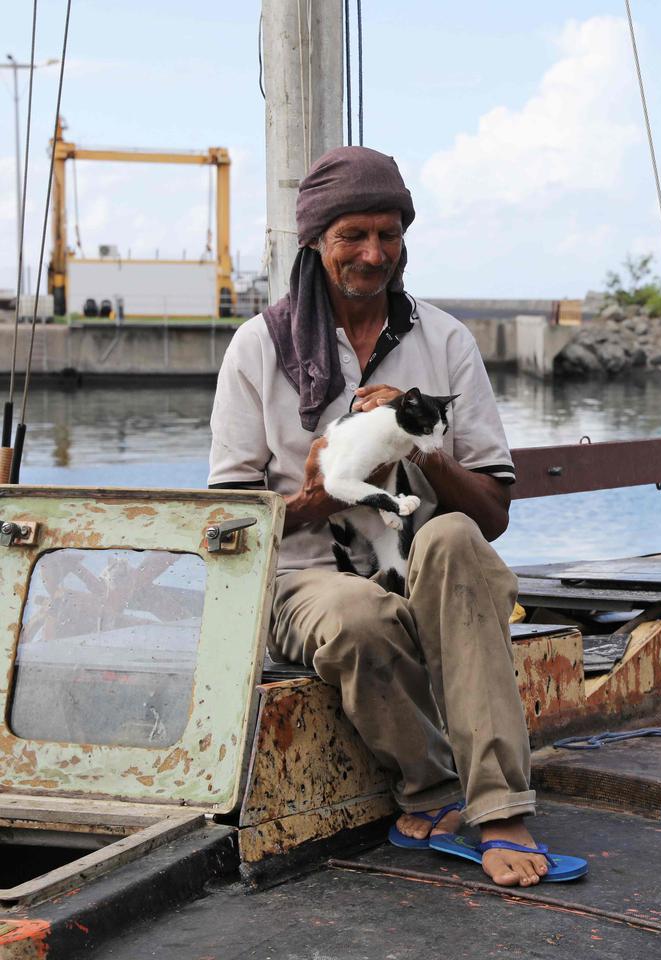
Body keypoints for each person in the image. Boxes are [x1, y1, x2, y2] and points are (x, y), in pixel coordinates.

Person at [208, 146, 579, 887]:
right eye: (354, 236)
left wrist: (424, 450)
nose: (374, 254)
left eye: (390, 234)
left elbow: (495, 510)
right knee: (357, 615)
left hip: (419, 563)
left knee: (456, 538)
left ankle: (501, 805)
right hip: (305, 575)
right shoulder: (258, 349)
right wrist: (323, 494)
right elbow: (226, 531)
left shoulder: (444, 341)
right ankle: (436, 791)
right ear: (315, 240)